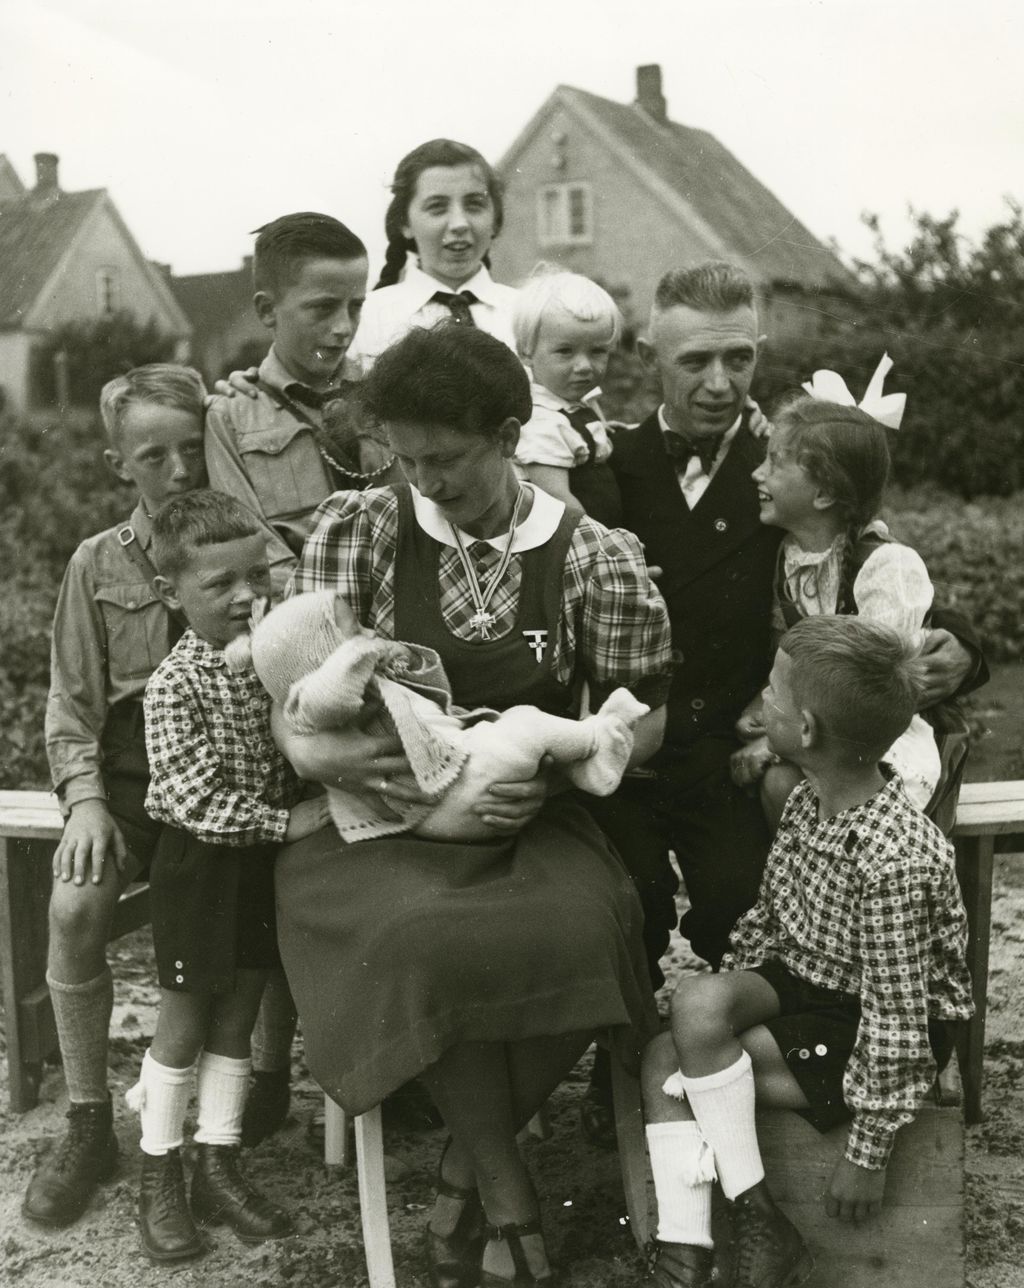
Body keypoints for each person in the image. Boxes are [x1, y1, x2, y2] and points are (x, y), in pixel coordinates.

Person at [272, 323, 673, 1287]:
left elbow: (644, 716)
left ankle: (463, 1165)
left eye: (445, 458)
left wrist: (556, 764)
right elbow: (293, 694)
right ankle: (504, 1190)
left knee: (595, 933)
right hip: (377, 820)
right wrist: (330, 759)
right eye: (406, 459)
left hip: (525, 814)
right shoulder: (360, 528)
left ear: (508, 432)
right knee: (421, 940)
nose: (426, 481)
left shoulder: (591, 555)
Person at [578, 261, 986, 1146]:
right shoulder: (609, 461)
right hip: (641, 750)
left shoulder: (794, 460)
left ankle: (819, 1083)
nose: (720, 384)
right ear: (650, 352)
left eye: (739, 357)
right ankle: (626, 1090)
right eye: (694, 361)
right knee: (623, 905)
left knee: (743, 901)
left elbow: (867, 566)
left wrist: (965, 643)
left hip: (745, 744)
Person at [641, 614, 974, 1288]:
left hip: (870, 1029)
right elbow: (770, 920)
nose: (761, 701)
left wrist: (870, 1151)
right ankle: (695, 1237)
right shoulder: (804, 802)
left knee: (669, 1069)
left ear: (809, 729)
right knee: (690, 1013)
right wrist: (721, 1004)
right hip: (808, 979)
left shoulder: (894, 860)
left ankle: (747, 1226)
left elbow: (898, 1017)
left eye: (773, 692)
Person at [22, 364, 208, 1230]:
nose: (178, 469)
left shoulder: (236, 546)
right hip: (128, 784)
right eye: (154, 455)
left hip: (216, 774)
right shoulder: (98, 562)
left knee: (220, 913)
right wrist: (85, 801)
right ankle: (90, 1119)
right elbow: (71, 701)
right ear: (117, 465)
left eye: (192, 448)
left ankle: (222, 1116)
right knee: (73, 907)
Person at [126, 490, 329, 1263]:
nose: (248, 597)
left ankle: (219, 1158)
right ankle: (159, 1168)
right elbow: (188, 795)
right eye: (221, 586)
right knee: (185, 1022)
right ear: (169, 594)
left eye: (257, 577)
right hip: (200, 868)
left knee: (238, 1014)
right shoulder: (175, 684)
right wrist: (286, 821)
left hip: (256, 870)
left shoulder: (271, 659)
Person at [236, 588, 649, 841]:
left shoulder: (373, 686)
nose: (368, 633)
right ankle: (598, 737)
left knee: (516, 725)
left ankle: (582, 766)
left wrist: (403, 660)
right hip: (452, 794)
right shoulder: (319, 698)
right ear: (322, 655)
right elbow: (326, 695)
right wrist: (361, 652)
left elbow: (435, 691)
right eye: (353, 629)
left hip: (453, 794)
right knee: (525, 722)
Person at [731, 359, 940, 823]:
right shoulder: (789, 558)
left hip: (875, 744)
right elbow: (792, 657)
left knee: (790, 783)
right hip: (815, 732)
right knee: (776, 782)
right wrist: (764, 706)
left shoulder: (885, 566)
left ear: (824, 493)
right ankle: (806, 884)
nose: (757, 475)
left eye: (774, 462)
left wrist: (776, 740)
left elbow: (873, 694)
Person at [205, 211, 397, 588]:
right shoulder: (231, 415)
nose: (343, 328)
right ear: (266, 310)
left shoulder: (390, 393)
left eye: (355, 306)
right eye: (322, 308)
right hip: (304, 618)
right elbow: (255, 546)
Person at [346, 137, 519, 375]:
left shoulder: (530, 314)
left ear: (496, 219)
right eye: (437, 207)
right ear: (404, 222)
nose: (459, 224)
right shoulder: (365, 321)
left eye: (474, 205)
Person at [511, 268, 623, 528]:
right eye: (565, 351)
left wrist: (601, 431)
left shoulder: (566, 405)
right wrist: (602, 543)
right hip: (578, 546)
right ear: (526, 353)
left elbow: (575, 436)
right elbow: (556, 496)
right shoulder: (539, 421)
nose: (584, 366)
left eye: (597, 351)